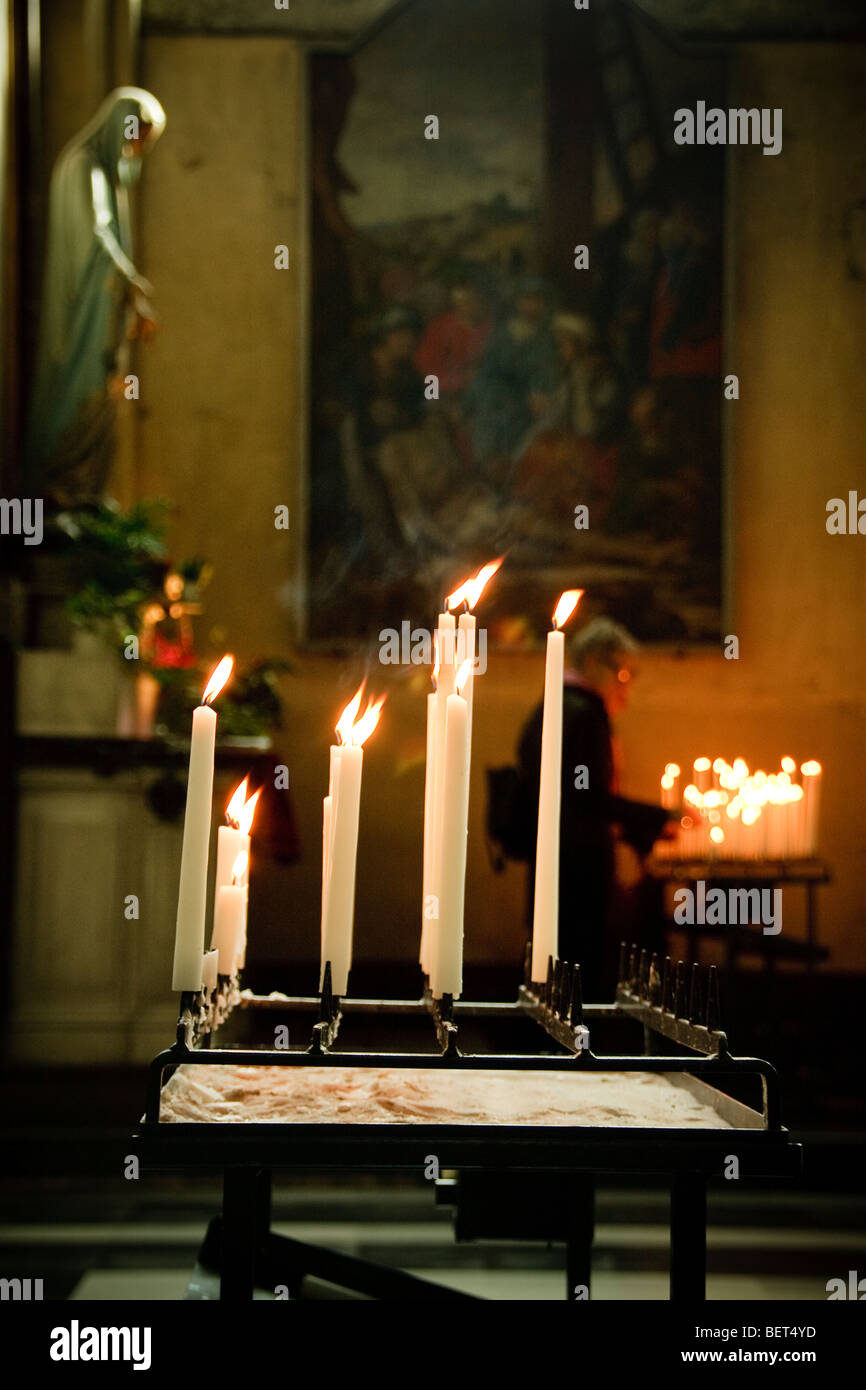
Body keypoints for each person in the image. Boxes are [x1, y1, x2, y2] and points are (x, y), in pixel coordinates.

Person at [517, 617, 674, 999]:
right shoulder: (584, 714)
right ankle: (578, 1050)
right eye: (622, 672)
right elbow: (586, 793)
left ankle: (551, 1044)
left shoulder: (554, 705)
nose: (627, 685)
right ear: (591, 662)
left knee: (553, 963)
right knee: (579, 964)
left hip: (553, 857)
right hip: (578, 865)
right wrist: (661, 817)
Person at [24, 87, 166, 505]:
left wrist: (132, 294)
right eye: (139, 138)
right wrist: (131, 281)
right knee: (77, 400)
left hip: (100, 317)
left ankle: (81, 495)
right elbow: (94, 239)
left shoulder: (106, 175)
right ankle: (54, 491)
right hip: (78, 320)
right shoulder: (81, 169)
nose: (138, 151)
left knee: (106, 399)